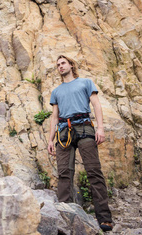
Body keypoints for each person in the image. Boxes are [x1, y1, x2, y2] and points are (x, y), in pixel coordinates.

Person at [47, 55, 113, 232]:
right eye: (58, 64)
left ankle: (104, 219)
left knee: (94, 171)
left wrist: (100, 128)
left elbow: (96, 105)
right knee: (64, 174)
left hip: (84, 127)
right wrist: (50, 139)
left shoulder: (85, 82)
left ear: (71, 65)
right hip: (63, 132)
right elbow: (54, 116)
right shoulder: (56, 91)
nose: (60, 66)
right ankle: (65, 218)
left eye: (63, 63)